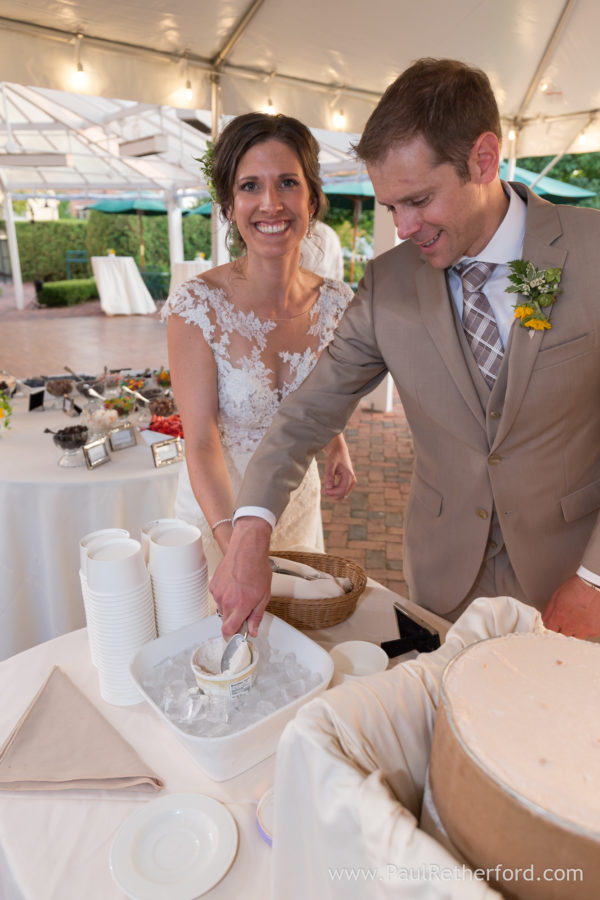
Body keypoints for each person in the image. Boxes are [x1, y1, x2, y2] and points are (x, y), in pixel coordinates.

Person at [211, 58, 600, 642]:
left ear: (484, 159)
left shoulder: (593, 250)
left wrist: (594, 580)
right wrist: (249, 529)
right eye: (392, 207)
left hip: (573, 580)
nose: (403, 227)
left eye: (418, 199)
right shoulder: (387, 285)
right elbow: (307, 414)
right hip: (445, 587)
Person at [162, 112, 357, 576]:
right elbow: (201, 441)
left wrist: (336, 445)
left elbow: (319, 397)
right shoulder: (197, 305)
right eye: (250, 186)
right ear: (229, 206)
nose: (271, 203)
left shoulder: (337, 304)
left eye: (288, 182)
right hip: (218, 517)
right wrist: (236, 546)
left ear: (312, 199)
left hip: (296, 507)